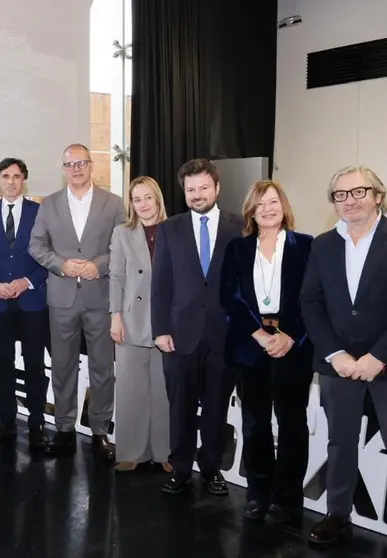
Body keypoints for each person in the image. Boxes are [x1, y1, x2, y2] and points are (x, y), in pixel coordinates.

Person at [301, 166, 387, 558]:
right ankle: (338, 516)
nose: (350, 200)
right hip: (337, 366)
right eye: (340, 195)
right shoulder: (322, 244)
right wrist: (335, 354)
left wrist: (377, 357)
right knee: (340, 444)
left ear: (378, 195)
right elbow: (310, 303)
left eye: (359, 191)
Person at [219, 180, 313, 524]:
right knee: (255, 424)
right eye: (260, 204)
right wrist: (260, 335)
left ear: (283, 205)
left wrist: (290, 335)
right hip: (251, 345)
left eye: (273, 202)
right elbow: (229, 297)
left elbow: (312, 298)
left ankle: (287, 498)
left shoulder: (305, 245)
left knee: (292, 424)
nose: (268, 209)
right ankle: (258, 493)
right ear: (251, 211)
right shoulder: (238, 249)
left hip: (294, 345)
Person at [151, 158, 241, 495]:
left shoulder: (239, 226)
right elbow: (160, 284)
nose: (197, 194)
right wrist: (160, 329)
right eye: (191, 189)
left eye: (204, 187)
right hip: (178, 335)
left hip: (224, 335)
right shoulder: (169, 228)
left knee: (217, 407)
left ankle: (212, 467)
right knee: (181, 407)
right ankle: (181, 467)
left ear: (217, 188)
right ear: (184, 192)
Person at [28, 143, 124, 460]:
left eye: (82, 162)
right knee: (63, 367)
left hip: (100, 297)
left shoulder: (113, 204)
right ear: (64, 168)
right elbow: (36, 245)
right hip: (62, 298)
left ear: (91, 165)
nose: (77, 168)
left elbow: (122, 246)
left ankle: (99, 432)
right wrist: (60, 264)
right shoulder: (49, 204)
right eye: (71, 164)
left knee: (102, 370)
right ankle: (65, 428)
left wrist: (100, 264)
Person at [0, 158, 49, 448]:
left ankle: (37, 422)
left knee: (34, 364)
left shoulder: (40, 213)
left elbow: (48, 257)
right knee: (3, 362)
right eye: (6, 176)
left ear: (24, 180)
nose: (11, 182)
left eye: (17, 176)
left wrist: (25, 283)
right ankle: (6, 420)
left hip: (31, 301)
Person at [109, 176, 171, 472]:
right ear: (130, 204)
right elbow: (116, 277)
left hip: (166, 322)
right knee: (132, 390)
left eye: (148, 197)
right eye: (136, 199)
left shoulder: (175, 230)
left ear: (158, 199)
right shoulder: (122, 233)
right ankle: (132, 451)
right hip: (130, 319)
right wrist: (115, 316)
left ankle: (165, 453)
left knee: (164, 391)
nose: (143, 204)